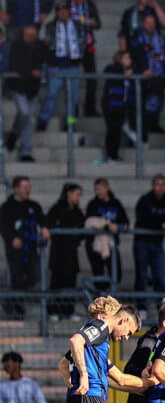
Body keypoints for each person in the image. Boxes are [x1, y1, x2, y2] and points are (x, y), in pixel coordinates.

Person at [128, 14, 165, 140]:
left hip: (158, 74)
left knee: (159, 99)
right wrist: (144, 69)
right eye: (148, 23)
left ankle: (154, 124)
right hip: (144, 76)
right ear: (143, 24)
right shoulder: (138, 35)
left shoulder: (161, 37)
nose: (150, 25)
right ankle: (140, 129)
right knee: (143, 103)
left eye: (153, 23)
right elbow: (137, 53)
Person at [1, 176, 47, 318]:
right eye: (24, 187)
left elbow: (42, 220)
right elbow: (3, 226)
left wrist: (44, 228)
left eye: (29, 187)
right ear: (16, 189)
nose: (28, 190)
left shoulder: (34, 206)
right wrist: (12, 238)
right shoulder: (7, 207)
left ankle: (10, 300)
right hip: (15, 252)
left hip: (32, 249)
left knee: (36, 274)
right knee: (18, 278)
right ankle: (18, 309)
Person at [37, 1, 84, 132]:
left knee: (73, 98)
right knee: (51, 95)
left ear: (69, 11)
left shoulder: (77, 25)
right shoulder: (50, 26)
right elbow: (44, 44)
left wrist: (80, 58)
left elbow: (83, 42)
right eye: (60, 10)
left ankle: (70, 123)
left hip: (73, 66)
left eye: (65, 10)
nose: (63, 13)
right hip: (56, 66)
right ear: (57, 12)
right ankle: (43, 121)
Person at [44, 182, 85, 321]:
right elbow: (48, 224)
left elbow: (82, 232)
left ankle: (68, 310)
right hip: (58, 253)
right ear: (69, 193)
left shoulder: (78, 212)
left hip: (72, 254)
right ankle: (52, 311)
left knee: (70, 282)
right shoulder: (56, 209)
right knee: (56, 283)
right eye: (76, 194)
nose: (78, 198)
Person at [4, 24, 45, 162]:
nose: (30, 36)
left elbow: (45, 61)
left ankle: (24, 151)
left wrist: (41, 72)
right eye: (27, 34)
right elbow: (13, 65)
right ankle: (16, 139)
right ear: (23, 33)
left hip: (32, 89)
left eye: (32, 34)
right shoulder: (16, 45)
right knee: (25, 113)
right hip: (17, 87)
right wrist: (31, 72)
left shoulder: (40, 46)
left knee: (28, 119)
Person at [133, 174, 165, 310]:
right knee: (141, 275)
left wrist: (158, 225)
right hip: (142, 242)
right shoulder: (145, 200)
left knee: (159, 276)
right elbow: (142, 221)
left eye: (162, 185)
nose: (159, 188)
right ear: (153, 185)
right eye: (157, 184)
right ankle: (141, 306)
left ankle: (161, 307)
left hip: (157, 243)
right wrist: (159, 225)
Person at [84, 177, 129, 289]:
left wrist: (118, 227)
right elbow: (90, 221)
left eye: (100, 189)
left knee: (116, 273)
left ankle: (109, 296)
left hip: (111, 243)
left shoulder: (116, 203)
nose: (97, 192)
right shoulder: (93, 204)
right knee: (99, 273)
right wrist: (107, 226)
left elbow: (125, 222)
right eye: (96, 189)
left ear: (107, 188)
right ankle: (100, 299)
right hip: (95, 244)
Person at [100, 49, 134, 163]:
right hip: (112, 106)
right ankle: (111, 155)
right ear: (120, 59)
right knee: (113, 130)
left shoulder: (129, 71)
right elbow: (108, 71)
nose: (129, 60)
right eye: (126, 58)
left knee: (117, 131)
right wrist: (122, 74)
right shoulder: (114, 68)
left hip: (121, 106)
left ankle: (114, 155)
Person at [68, 0, 99, 118]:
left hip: (87, 46)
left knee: (92, 78)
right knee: (72, 79)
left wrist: (87, 22)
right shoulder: (66, 4)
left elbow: (97, 24)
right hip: (72, 47)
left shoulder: (89, 5)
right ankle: (73, 110)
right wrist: (84, 20)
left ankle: (90, 109)